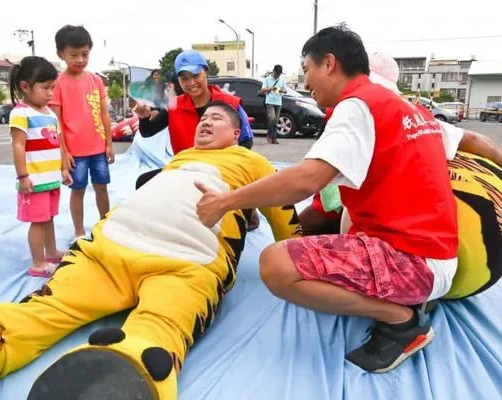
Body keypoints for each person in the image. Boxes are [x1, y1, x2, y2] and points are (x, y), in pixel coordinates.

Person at [0, 102, 301, 400]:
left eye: (217, 119)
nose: (205, 122)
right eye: (203, 118)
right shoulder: (178, 160)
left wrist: (300, 254)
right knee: (47, 307)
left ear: (236, 134)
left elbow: (284, 212)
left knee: (162, 324)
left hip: (186, 261)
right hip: (109, 249)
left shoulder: (252, 163)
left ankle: (125, 371)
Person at [195, 25, 461, 373]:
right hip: (433, 249)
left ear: (329, 63)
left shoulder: (357, 107)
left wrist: (226, 201)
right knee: (335, 222)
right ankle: (401, 301)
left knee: (275, 265)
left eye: (307, 69)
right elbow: (462, 142)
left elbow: (306, 179)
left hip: (415, 262)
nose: (306, 83)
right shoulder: (404, 108)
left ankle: (402, 321)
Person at [299, 51, 502, 301]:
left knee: (297, 247)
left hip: (415, 257)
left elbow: (319, 191)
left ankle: (395, 309)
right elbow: (473, 139)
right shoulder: (412, 113)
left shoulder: (357, 112)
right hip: (459, 262)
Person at [134, 49, 258, 229]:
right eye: (184, 78)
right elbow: (147, 132)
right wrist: (144, 117)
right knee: (143, 182)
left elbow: (246, 141)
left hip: (222, 170)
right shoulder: (175, 105)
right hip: (186, 169)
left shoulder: (229, 103)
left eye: (195, 75)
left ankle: (248, 209)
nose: (191, 83)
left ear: (206, 72)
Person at [8, 56, 72, 278]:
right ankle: (38, 262)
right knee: (38, 221)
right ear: (24, 87)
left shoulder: (50, 114)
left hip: (51, 178)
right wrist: (23, 176)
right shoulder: (21, 113)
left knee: (49, 217)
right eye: (45, 88)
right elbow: (18, 144)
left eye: (52, 88)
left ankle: (52, 251)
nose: (50, 93)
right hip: (34, 180)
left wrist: (63, 169)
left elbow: (58, 144)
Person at [49, 25, 115, 243]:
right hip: (75, 152)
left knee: (101, 187)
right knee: (77, 190)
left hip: (98, 148)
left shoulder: (95, 80)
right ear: (61, 54)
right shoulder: (58, 83)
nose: (80, 59)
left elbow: (104, 114)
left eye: (84, 54)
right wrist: (63, 153)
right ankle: (79, 231)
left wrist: (109, 143)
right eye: (73, 55)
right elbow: (55, 121)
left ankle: (105, 223)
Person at [261, 64, 287, 144]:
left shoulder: (282, 80)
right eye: (277, 73)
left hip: (278, 102)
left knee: (275, 121)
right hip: (270, 102)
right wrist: (271, 88)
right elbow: (262, 90)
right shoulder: (267, 79)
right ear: (274, 71)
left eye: (279, 74)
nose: (278, 75)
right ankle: (269, 135)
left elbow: (285, 90)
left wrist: (281, 90)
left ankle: (274, 138)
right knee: (272, 118)